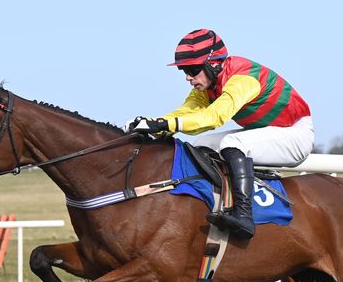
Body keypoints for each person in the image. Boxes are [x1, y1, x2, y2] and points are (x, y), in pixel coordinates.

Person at [126, 28, 314, 239]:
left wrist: (164, 124)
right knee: (202, 144)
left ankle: (243, 215)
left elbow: (214, 117)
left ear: (213, 64)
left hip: (295, 135)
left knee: (232, 143)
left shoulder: (242, 79)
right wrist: (154, 126)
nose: (188, 77)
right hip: (267, 131)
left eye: (193, 69)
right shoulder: (208, 84)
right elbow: (186, 112)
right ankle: (212, 203)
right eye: (183, 70)